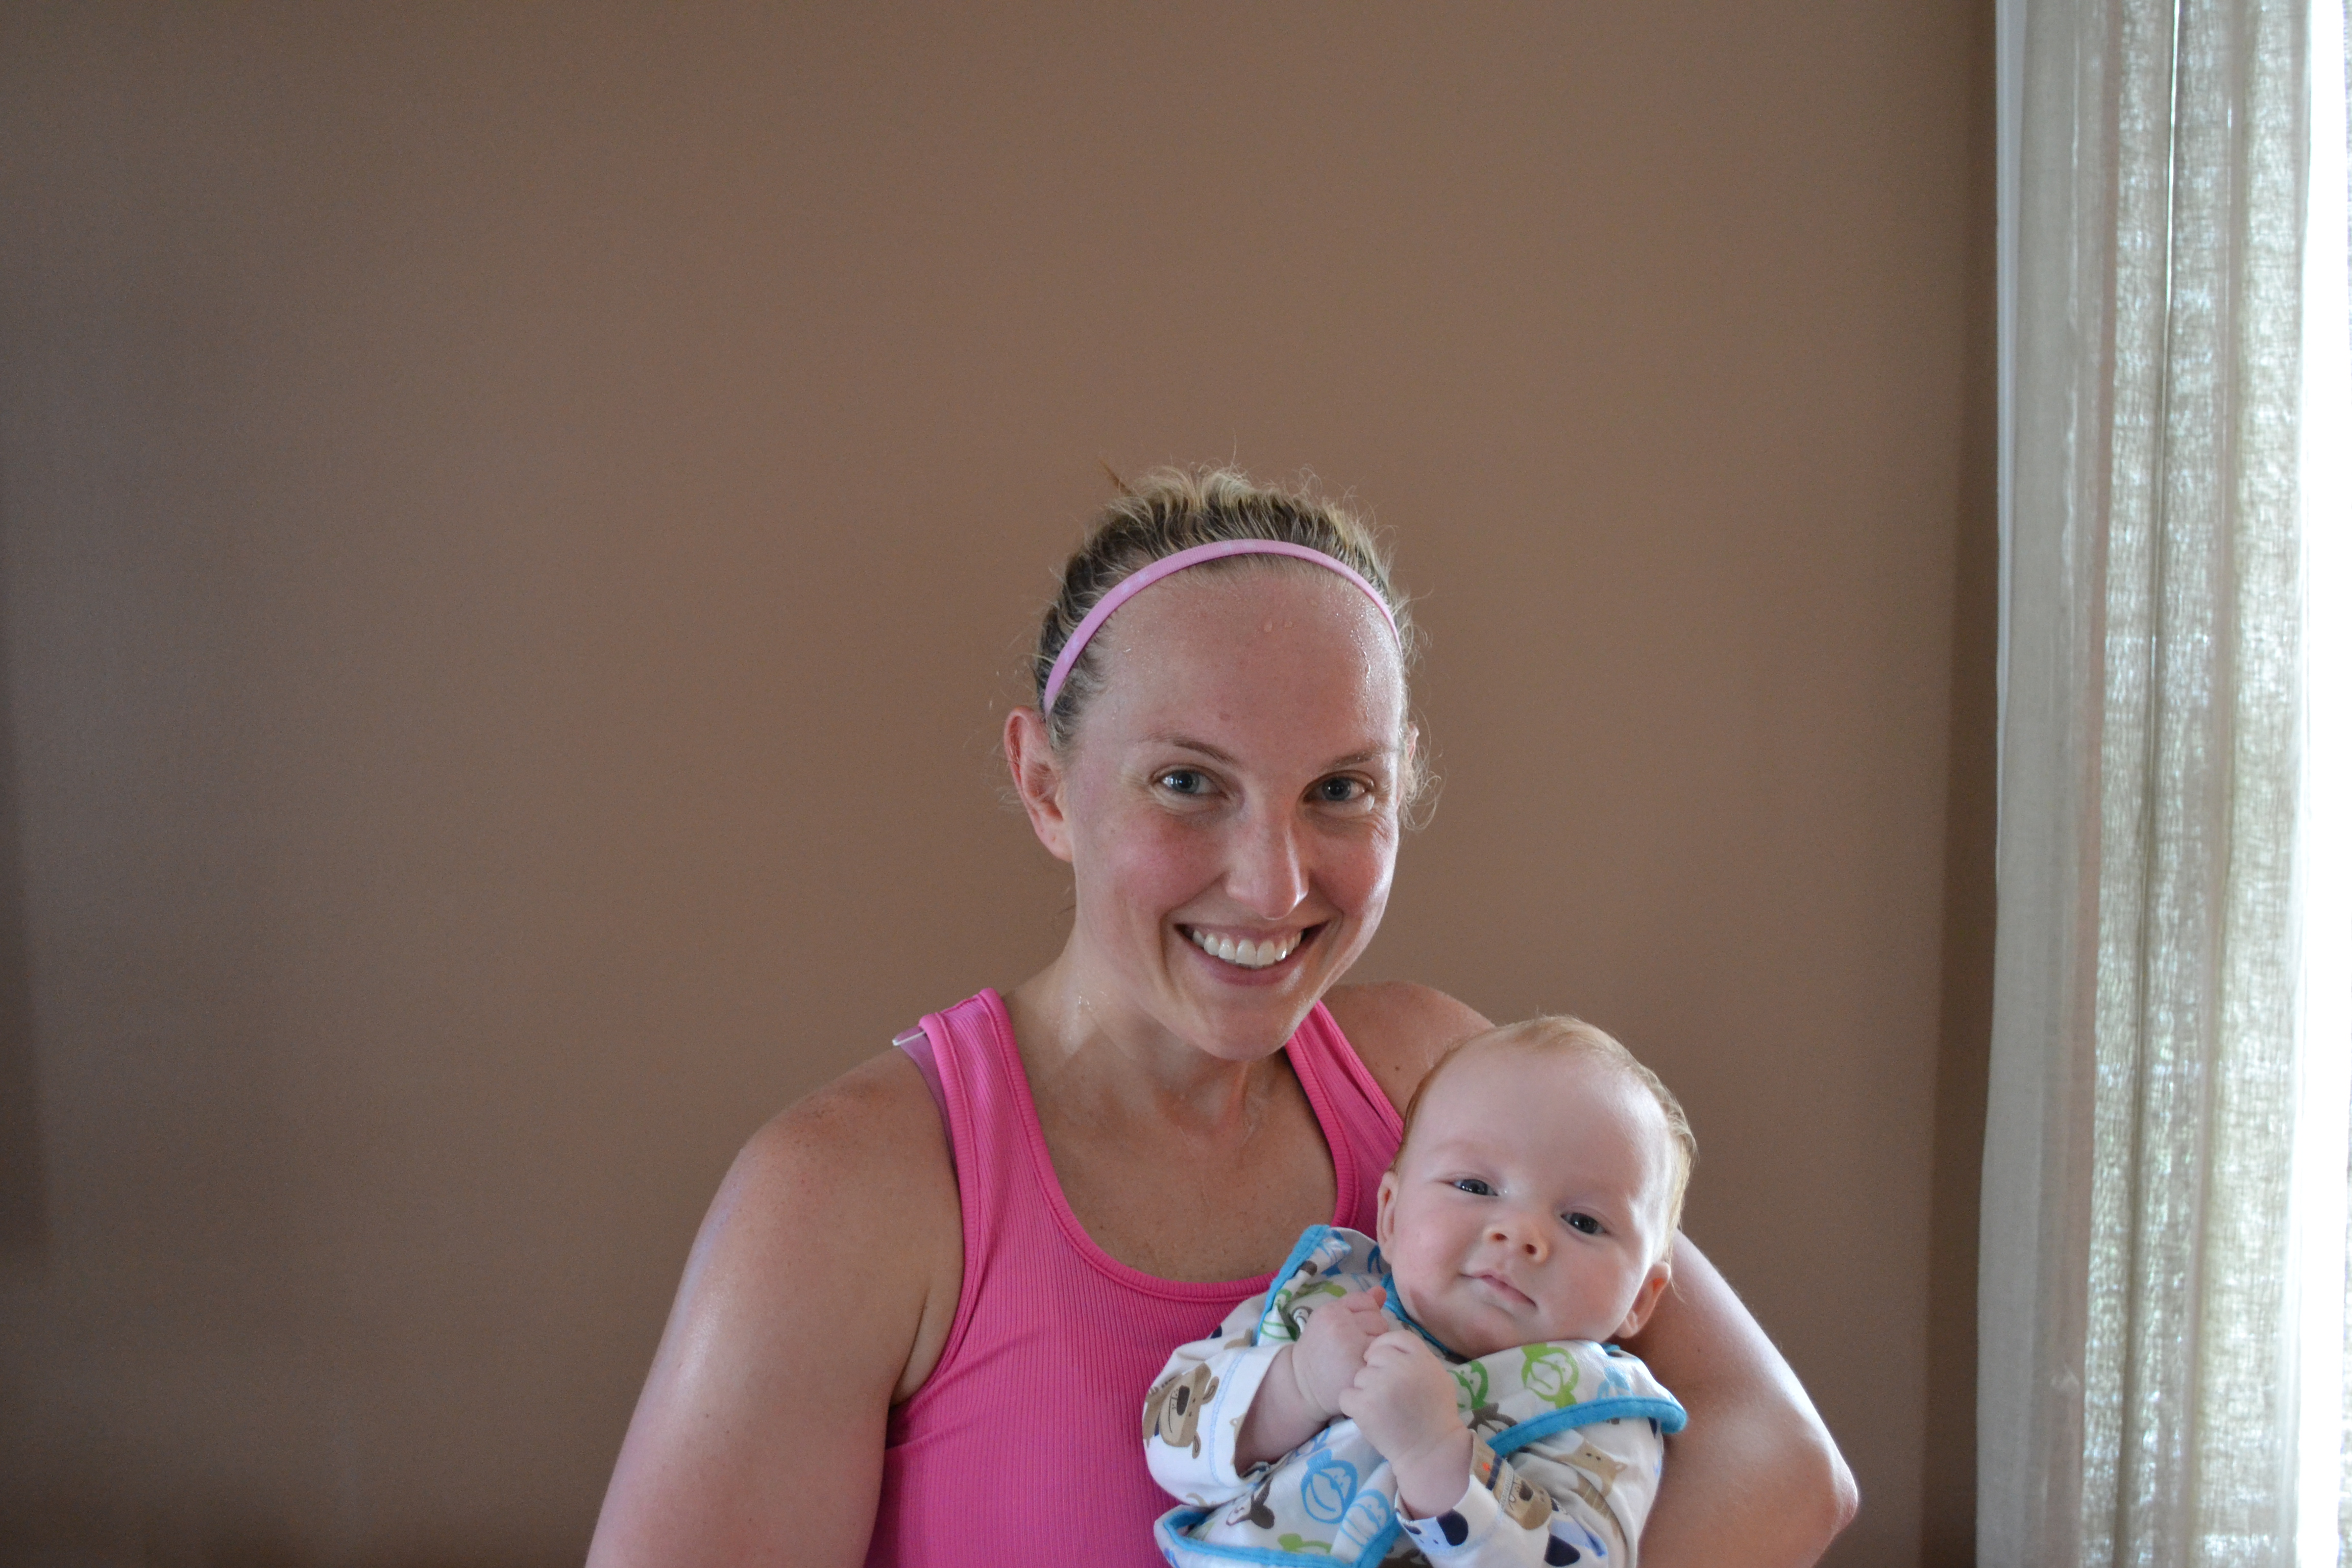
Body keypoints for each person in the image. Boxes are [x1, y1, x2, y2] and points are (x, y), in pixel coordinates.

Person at [584, 469, 1857, 1567]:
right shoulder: (852, 1192)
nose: (1274, 880)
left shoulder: (1439, 1082)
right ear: (1044, 783)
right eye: (1187, 782)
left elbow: (1781, 1456)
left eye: (1341, 789)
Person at [1145, 1017, 1694, 1567]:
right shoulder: (1328, 1302)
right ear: (1390, 1215)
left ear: (1641, 1299)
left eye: (1583, 1222)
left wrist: (1437, 1459)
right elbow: (1167, 1435)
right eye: (1475, 1187)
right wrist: (1295, 1385)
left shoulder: (1599, 1414)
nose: (1521, 1234)